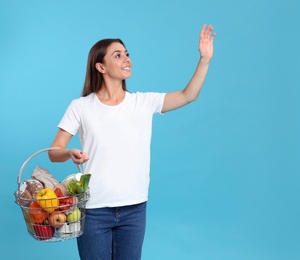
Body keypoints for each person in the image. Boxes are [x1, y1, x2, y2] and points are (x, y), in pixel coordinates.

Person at [48, 24, 216, 260]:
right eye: (118, 55)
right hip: (94, 210)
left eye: (127, 54)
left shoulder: (143, 103)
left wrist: (205, 60)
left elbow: (189, 95)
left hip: (135, 209)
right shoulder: (81, 107)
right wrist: (69, 152)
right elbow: (54, 152)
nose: (127, 59)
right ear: (101, 66)